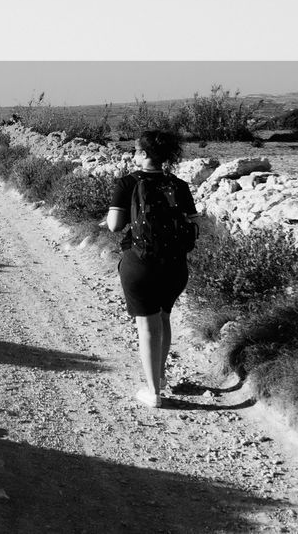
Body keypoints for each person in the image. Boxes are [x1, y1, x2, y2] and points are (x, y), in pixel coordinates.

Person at [106, 129, 200, 408]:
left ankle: (153, 392)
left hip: (140, 264)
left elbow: (114, 226)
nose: (133, 154)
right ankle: (160, 377)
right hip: (174, 266)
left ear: (144, 154)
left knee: (146, 326)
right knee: (164, 318)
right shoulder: (179, 185)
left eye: (135, 150)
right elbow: (196, 225)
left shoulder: (127, 184)